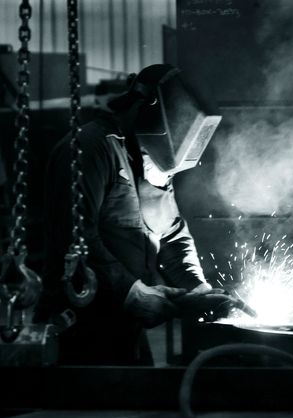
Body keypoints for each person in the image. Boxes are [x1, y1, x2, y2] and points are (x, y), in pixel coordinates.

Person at [34, 64, 250, 365]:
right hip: (79, 330)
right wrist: (132, 292)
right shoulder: (89, 149)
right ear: (146, 109)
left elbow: (173, 235)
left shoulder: (151, 160)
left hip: (128, 331)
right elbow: (76, 238)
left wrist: (199, 290)